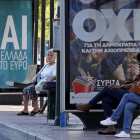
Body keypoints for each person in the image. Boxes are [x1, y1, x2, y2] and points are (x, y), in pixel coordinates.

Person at [74, 53, 140, 135]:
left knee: (107, 88)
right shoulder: (130, 68)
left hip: (135, 95)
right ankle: (111, 128)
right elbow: (133, 83)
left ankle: (89, 105)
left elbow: (136, 85)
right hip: (132, 93)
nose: (135, 63)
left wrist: (122, 84)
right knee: (106, 99)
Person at [100, 53, 140, 138]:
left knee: (126, 96)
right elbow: (133, 85)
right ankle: (126, 131)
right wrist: (134, 77)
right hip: (138, 96)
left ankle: (113, 118)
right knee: (128, 106)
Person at [17, 49, 56, 116]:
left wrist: (49, 78)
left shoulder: (55, 66)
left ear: (55, 57)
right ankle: (25, 109)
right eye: (48, 55)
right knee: (25, 89)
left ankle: (36, 108)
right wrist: (35, 77)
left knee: (32, 89)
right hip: (40, 83)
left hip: (47, 84)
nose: (49, 57)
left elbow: (55, 76)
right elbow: (39, 73)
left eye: (51, 55)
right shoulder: (46, 65)